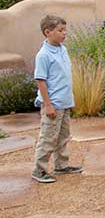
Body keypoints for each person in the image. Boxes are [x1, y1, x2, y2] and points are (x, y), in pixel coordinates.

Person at [31, 15, 83, 183]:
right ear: (48, 32)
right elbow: (41, 80)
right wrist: (48, 105)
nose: (64, 33)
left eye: (64, 30)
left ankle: (61, 165)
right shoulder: (43, 55)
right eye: (60, 31)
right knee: (48, 137)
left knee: (63, 136)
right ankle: (39, 170)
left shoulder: (62, 49)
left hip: (65, 102)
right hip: (53, 104)